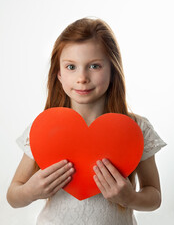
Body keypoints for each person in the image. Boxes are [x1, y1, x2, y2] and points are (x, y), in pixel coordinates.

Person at [6, 17, 167, 225]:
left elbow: (154, 196)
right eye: (71, 67)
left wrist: (131, 198)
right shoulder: (43, 129)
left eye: (94, 66)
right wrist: (31, 191)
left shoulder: (136, 128)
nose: (82, 77)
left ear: (112, 70)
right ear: (59, 74)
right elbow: (13, 196)